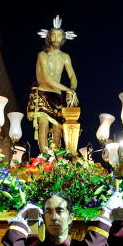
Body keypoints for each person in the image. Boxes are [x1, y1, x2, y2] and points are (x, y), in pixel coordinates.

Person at [27, 15, 78, 153]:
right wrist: (68, 89)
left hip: (57, 95)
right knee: (43, 124)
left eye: (59, 36)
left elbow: (72, 75)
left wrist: (72, 89)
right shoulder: (42, 55)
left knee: (58, 127)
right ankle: (44, 156)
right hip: (43, 92)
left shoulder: (65, 57)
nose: (56, 38)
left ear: (63, 38)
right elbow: (48, 78)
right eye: (53, 35)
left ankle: (55, 157)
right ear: (49, 37)